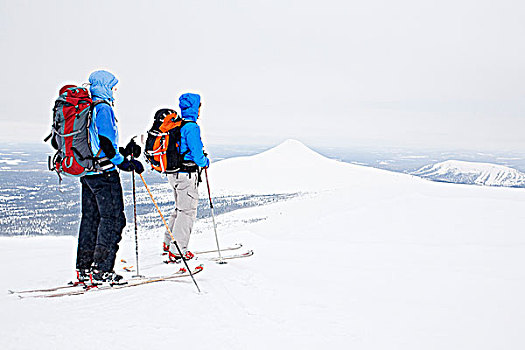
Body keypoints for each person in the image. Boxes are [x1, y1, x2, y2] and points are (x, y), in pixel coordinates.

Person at [75, 70, 144, 284]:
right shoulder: (103, 108)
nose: (115, 90)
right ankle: (102, 270)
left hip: (88, 172)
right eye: (113, 86)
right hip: (104, 174)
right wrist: (124, 163)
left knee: (91, 219)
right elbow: (105, 143)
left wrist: (123, 151)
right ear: (106, 86)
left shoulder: (86, 107)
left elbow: (100, 144)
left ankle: (84, 268)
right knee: (113, 219)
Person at [164, 93, 210, 262]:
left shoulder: (177, 125)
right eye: (199, 107)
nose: (199, 111)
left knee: (179, 209)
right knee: (187, 212)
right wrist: (205, 161)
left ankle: (168, 243)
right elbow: (198, 156)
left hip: (174, 173)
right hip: (187, 174)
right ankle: (177, 251)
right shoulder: (191, 127)